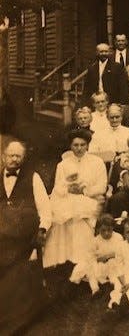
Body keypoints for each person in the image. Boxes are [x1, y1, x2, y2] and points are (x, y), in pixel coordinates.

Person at [0, 140, 52, 334]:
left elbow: (45, 209)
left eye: (18, 156)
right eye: (10, 155)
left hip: (25, 240)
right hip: (2, 239)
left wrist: (42, 230)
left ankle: (18, 317)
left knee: (19, 276)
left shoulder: (33, 177)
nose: (14, 159)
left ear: (23, 158)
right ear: (4, 156)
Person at [43, 129, 108, 268]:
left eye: (82, 145)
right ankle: (61, 257)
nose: (79, 148)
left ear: (88, 146)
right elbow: (58, 187)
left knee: (75, 213)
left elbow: (102, 187)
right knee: (62, 213)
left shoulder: (97, 162)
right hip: (67, 198)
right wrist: (68, 188)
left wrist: (84, 191)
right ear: (70, 146)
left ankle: (80, 258)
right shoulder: (63, 164)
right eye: (75, 145)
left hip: (89, 199)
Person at [69, 213, 123, 295]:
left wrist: (109, 256)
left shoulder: (118, 237)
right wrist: (98, 259)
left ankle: (116, 285)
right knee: (90, 268)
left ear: (113, 227)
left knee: (114, 269)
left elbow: (122, 252)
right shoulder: (96, 240)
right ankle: (95, 289)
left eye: (109, 230)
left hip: (114, 263)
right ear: (98, 230)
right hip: (100, 264)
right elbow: (91, 255)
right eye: (103, 230)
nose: (106, 233)